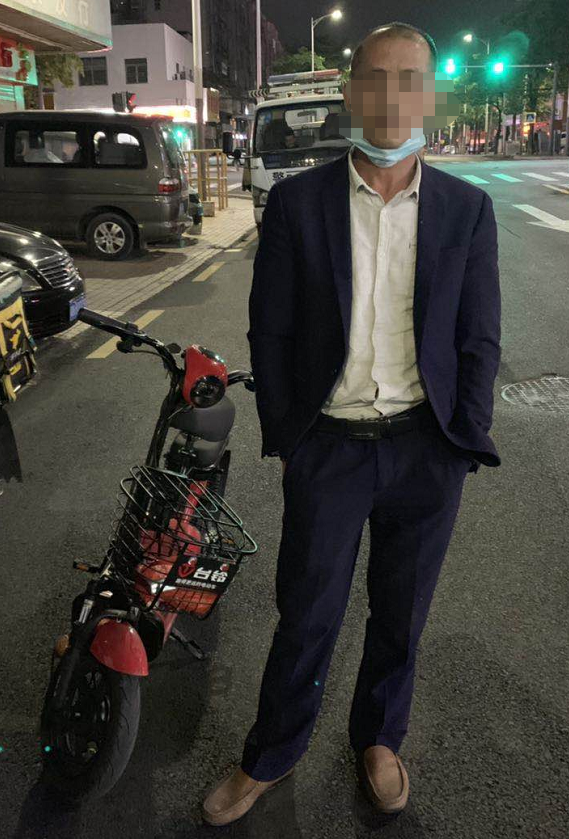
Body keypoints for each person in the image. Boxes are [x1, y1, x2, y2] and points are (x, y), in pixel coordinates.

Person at [202, 20, 501, 826]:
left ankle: (378, 738)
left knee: (401, 614)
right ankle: (272, 750)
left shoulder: (466, 211)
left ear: (429, 95)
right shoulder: (298, 204)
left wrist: (461, 440)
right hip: (329, 447)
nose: (392, 96)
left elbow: (478, 338)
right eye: (376, 77)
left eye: (410, 79)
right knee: (307, 611)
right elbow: (270, 330)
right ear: (350, 91)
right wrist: (287, 438)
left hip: (424, 448)